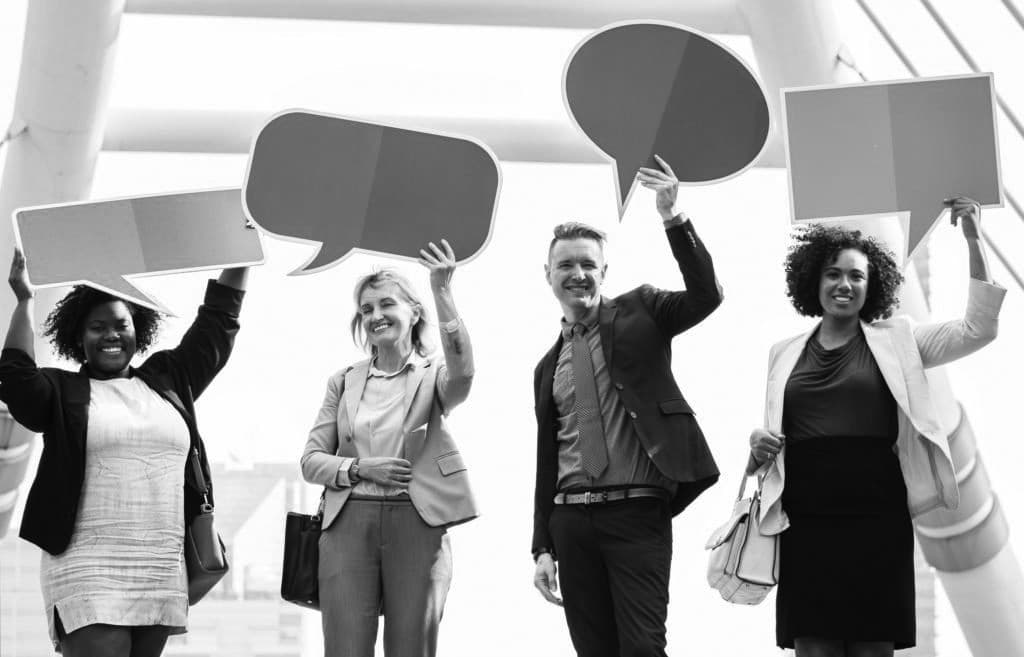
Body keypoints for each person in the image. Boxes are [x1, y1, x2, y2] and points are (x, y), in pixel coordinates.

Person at [748, 198, 1004, 657]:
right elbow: (774, 437)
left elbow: (978, 329)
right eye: (833, 274)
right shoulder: (782, 353)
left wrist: (972, 237)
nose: (844, 284)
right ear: (814, 279)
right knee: (815, 648)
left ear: (873, 286)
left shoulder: (900, 340)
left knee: (871, 649)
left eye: (856, 276)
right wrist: (757, 443)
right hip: (806, 518)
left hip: (876, 514)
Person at [0, 249, 249, 656]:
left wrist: (241, 254)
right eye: (97, 327)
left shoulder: (169, 379)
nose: (111, 335)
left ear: (139, 330)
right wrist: (25, 300)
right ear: (79, 338)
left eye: (121, 324)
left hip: (159, 565)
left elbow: (217, 325)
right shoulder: (63, 392)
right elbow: (16, 379)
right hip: (87, 565)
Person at [530, 156, 723, 657]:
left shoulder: (642, 310)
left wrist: (672, 215)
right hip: (571, 522)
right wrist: (541, 545)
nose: (578, 274)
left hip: (637, 513)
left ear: (603, 272)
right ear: (547, 274)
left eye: (588, 264)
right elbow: (547, 459)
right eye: (566, 265)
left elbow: (706, 296)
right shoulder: (547, 367)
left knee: (641, 649)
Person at [300, 239, 475, 657]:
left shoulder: (434, 374)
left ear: (413, 312)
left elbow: (464, 374)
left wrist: (443, 291)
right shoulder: (343, 380)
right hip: (348, 524)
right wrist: (360, 468)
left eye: (386, 304)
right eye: (366, 309)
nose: (376, 315)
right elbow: (310, 461)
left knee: (412, 649)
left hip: (417, 519)